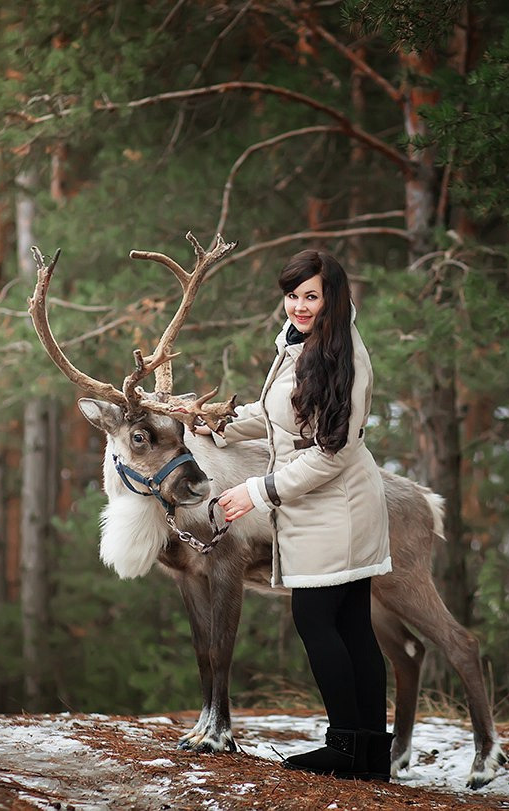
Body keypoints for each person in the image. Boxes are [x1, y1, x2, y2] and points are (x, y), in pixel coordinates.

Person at [195, 249, 393, 781]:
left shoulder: (343, 357)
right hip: (320, 504)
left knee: (317, 620)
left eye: (311, 296)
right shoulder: (302, 343)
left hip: (338, 507)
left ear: (334, 298)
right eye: (292, 295)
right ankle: (370, 754)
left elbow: (332, 453)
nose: (299, 306)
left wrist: (256, 492)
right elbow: (280, 415)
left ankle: (345, 747)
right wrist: (219, 425)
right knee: (351, 625)